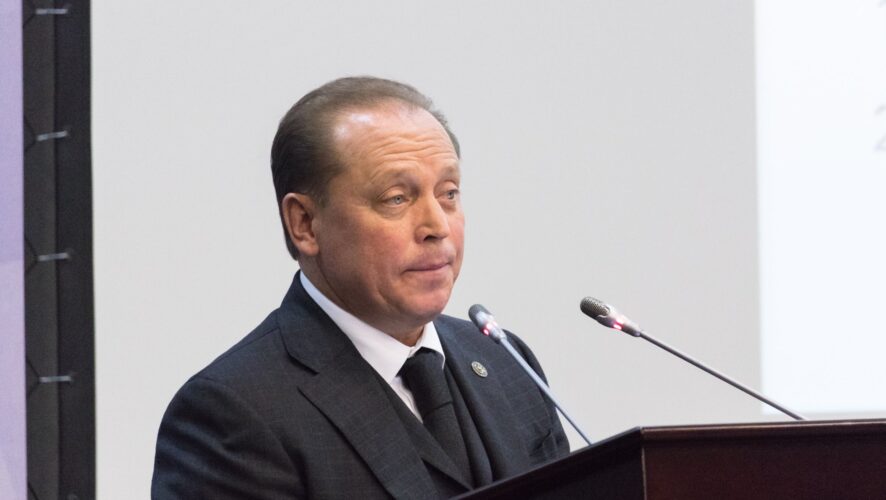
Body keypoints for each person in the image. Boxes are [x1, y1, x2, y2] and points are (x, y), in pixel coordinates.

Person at [151, 76, 569, 499]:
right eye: (396, 198)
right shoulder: (235, 413)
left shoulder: (505, 363)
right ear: (305, 223)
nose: (437, 226)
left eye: (448, 194)